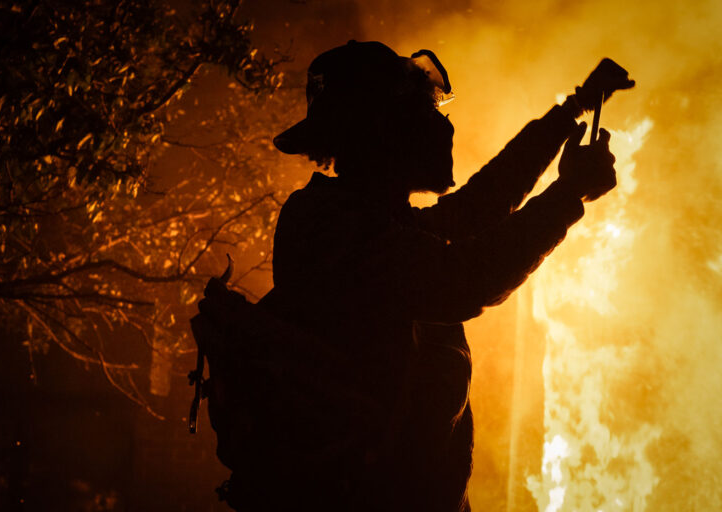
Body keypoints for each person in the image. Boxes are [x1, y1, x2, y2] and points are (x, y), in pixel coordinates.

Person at [240, 40, 633, 512]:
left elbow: (477, 206)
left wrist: (575, 107)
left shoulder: (356, 216)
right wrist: (567, 194)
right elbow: (465, 281)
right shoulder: (337, 231)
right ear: (382, 127)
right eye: (422, 109)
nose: (439, 123)